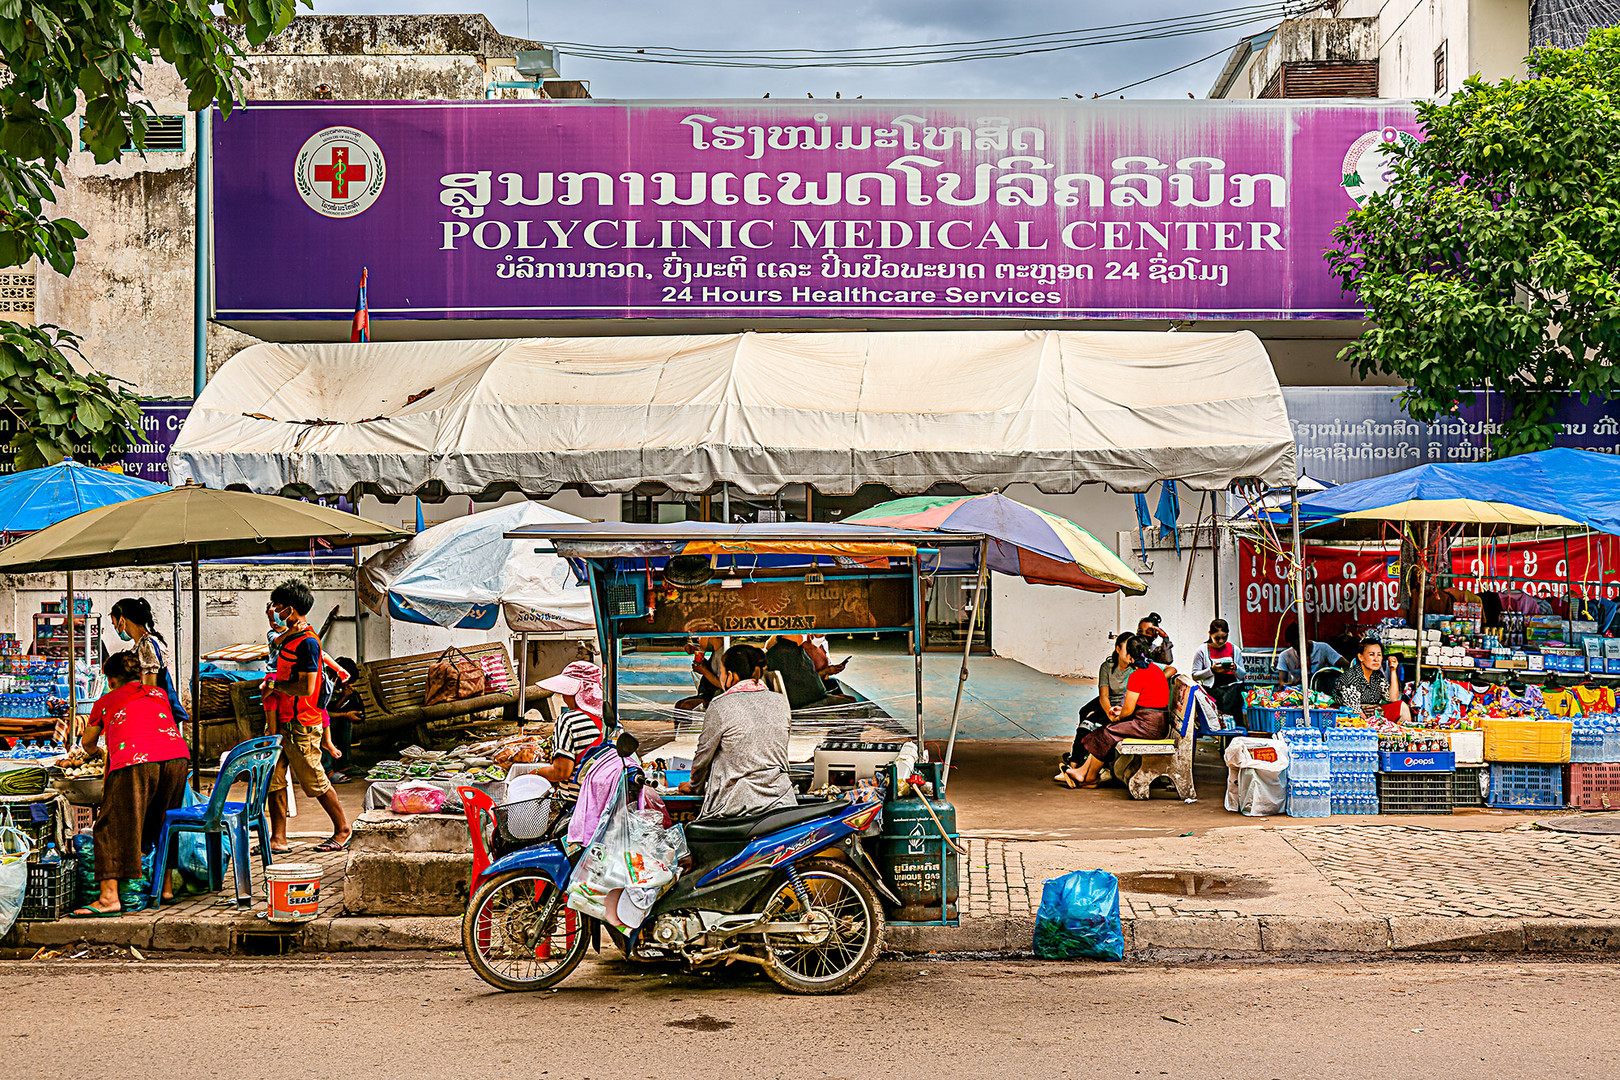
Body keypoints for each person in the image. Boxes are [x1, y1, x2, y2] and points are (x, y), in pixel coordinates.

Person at [67, 651, 190, 916]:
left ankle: (109, 898)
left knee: (110, 825)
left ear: (110, 680)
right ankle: (165, 887)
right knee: (164, 821)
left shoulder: (106, 700)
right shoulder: (157, 694)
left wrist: (97, 752)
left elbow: (88, 743)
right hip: (177, 756)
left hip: (135, 759)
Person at [263, 580, 350, 854]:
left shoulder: (308, 644)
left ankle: (342, 829)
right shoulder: (289, 635)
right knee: (274, 780)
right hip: (282, 721)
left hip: (302, 722)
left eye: (277, 606)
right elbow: (275, 640)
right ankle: (279, 838)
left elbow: (307, 687)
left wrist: (275, 685)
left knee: (314, 780)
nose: (274, 609)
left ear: (290, 609)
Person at [679, 644, 797, 818]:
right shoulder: (781, 702)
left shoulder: (720, 705)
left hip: (735, 807)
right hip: (782, 801)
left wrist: (694, 785)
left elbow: (703, 755)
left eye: (721, 672)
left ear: (731, 676)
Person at [1064, 635, 1172, 788]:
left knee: (1107, 732)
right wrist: (1121, 710)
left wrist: (1118, 715)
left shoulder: (1137, 676)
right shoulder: (1154, 669)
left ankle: (1090, 778)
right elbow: (1146, 703)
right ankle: (1083, 772)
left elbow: (1128, 712)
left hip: (1148, 726)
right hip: (1156, 722)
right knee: (1106, 730)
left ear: (1129, 656)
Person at [1058, 632, 1133, 786]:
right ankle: (1074, 765)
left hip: (1124, 710)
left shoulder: (1136, 668)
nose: (1131, 653)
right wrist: (1109, 712)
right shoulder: (1107, 667)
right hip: (1109, 707)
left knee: (1100, 728)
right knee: (1086, 724)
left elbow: (1167, 670)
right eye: (1128, 649)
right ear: (1118, 649)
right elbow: (1103, 696)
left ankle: (1098, 769)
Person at [528, 659, 608, 800]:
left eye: (566, 692)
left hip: (577, 802)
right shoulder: (611, 719)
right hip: (606, 799)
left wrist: (533, 774)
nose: (564, 697)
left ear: (576, 693)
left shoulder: (569, 720)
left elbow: (561, 772)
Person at [109, 598, 188, 734]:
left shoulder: (147, 644)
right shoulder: (144, 643)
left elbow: (150, 688)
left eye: (114, 623)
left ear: (122, 619)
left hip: (156, 712)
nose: (116, 628)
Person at [764, 635, 852, 710]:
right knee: (851, 703)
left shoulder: (777, 652)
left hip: (804, 698)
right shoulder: (791, 653)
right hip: (808, 702)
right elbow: (810, 685)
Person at [1334, 638, 1410, 720]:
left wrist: (1393, 670)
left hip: (1375, 714)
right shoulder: (1349, 677)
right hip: (1351, 718)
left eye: (1379, 655)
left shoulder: (1377, 676)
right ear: (1361, 657)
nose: (1376, 659)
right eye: (1371, 654)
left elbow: (1393, 698)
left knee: (1402, 707)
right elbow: (1357, 712)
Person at [1191, 619, 1246, 721]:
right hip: (1212, 692)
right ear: (1210, 635)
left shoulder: (1235, 650)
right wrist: (1212, 670)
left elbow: (1242, 675)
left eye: (1224, 638)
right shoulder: (1202, 651)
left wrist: (1235, 668)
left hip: (1232, 692)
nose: (1221, 641)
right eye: (1217, 638)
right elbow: (1195, 675)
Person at [324, 657, 363, 777]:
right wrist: (346, 715)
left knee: (344, 722)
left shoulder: (335, 684)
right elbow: (323, 712)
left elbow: (333, 708)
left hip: (326, 719)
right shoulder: (324, 681)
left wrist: (344, 697)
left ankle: (344, 764)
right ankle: (327, 770)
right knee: (325, 728)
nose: (346, 684)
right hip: (314, 721)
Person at [1277, 624, 1344, 687]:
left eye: (1300, 643)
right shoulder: (1285, 655)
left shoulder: (1323, 648)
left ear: (1306, 637)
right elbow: (1281, 684)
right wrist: (1294, 683)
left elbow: (1345, 664)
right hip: (1299, 691)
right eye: (1295, 645)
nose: (1299, 647)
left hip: (1321, 690)